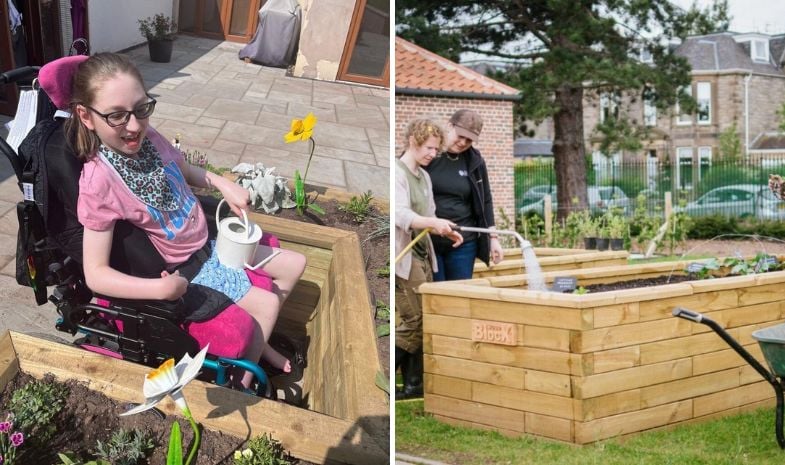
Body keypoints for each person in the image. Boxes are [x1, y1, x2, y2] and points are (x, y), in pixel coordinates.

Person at [67, 53, 306, 389]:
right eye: (118, 116)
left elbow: (187, 170)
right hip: (190, 268)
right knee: (266, 305)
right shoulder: (99, 183)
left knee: (297, 264)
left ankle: (260, 344)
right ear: (86, 116)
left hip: (208, 242)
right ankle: (241, 384)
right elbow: (95, 275)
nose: (134, 125)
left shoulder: (149, 140)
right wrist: (159, 288)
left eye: (141, 109)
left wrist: (224, 183)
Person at [395, 119, 463, 399]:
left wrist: (445, 231)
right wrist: (432, 224)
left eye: (436, 149)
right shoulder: (398, 174)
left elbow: (431, 215)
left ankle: (414, 385)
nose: (433, 154)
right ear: (413, 141)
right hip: (405, 257)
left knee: (422, 319)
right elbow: (401, 215)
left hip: (423, 256)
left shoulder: (424, 177)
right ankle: (389, 379)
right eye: (429, 148)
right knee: (414, 320)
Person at [425, 109, 504, 281]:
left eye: (469, 140)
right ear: (449, 126)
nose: (463, 142)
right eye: (460, 136)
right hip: (429, 239)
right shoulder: (429, 154)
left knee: (458, 296)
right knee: (434, 296)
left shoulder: (474, 161)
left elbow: (486, 200)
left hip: (463, 242)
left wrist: (493, 238)